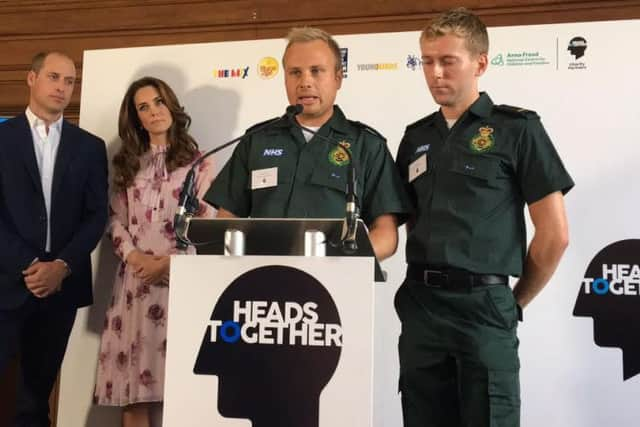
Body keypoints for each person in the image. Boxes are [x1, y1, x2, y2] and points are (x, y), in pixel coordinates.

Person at [394, 8, 574, 427]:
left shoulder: (518, 129)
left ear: (480, 62)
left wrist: (514, 304)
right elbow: (394, 220)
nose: (435, 73)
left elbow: (554, 234)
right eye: (427, 61)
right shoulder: (416, 137)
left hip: (484, 308)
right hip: (422, 307)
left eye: (447, 61)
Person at [205, 27, 410, 261]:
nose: (305, 82)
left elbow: (386, 233)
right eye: (295, 72)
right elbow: (226, 218)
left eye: (316, 71)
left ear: (337, 78)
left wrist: (342, 264)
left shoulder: (366, 145)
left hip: (336, 285)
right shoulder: (256, 140)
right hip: (261, 281)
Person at [93, 77, 215, 426]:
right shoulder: (126, 164)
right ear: (136, 118)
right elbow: (115, 221)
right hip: (134, 286)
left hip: (180, 285)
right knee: (136, 397)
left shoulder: (200, 164)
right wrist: (136, 258)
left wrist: (170, 265)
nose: (153, 111)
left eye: (158, 102)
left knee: (179, 389)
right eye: (143, 107)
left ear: (171, 106)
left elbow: (206, 225)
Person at [0, 51, 109, 426]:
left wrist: (61, 266)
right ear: (32, 79)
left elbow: (97, 215)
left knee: (34, 398)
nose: (62, 87)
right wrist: (30, 265)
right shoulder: (2, 138)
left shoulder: (90, 147)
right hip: (6, 281)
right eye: (54, 77)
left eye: (70, 81)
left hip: (61, 288)